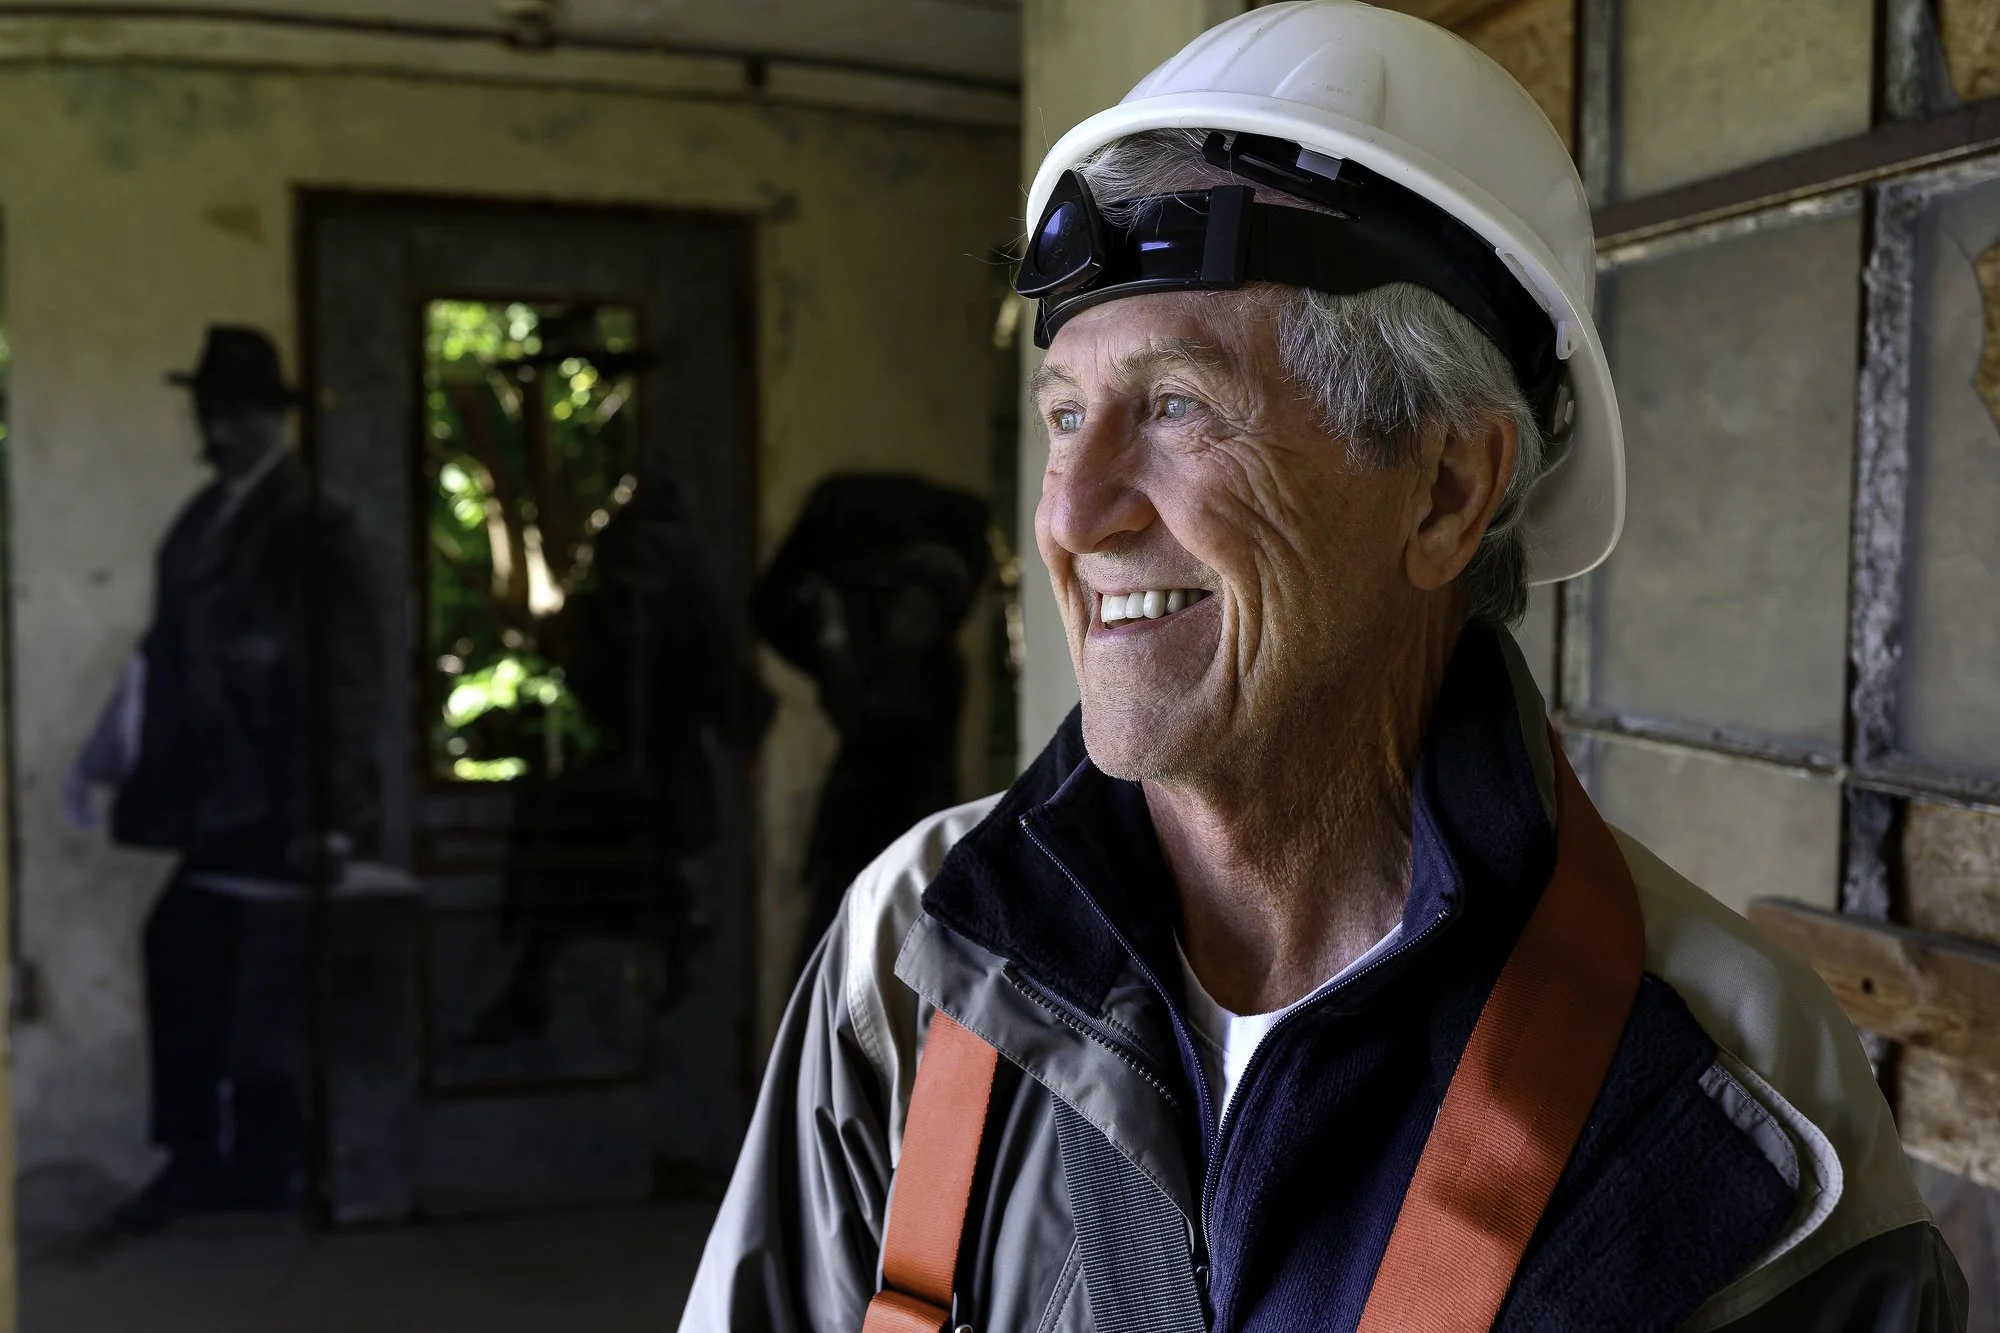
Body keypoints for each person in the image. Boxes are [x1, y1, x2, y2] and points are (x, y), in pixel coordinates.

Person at [681, 5, 1964, 1331]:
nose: (1072, 515)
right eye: (1068, 413)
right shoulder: (923, 955)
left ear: (1448, 489)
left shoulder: (1729, 1108)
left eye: (1177, 404)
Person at [78, 325, 379, 1234]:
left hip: (282, 797)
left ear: (270, 420)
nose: (216, 426)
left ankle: (250, 1157)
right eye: (209, 409)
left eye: (234, 410)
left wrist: (328, 810)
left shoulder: (315, 523)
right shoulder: (203, 519)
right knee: (204, 960)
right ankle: (222, 1156)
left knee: (250, 971)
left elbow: (349, 675)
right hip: (215, 797)